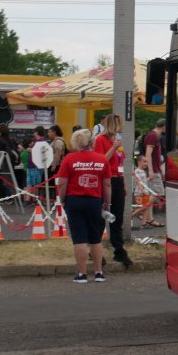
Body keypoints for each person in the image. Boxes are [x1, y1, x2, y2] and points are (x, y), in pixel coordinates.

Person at [55, 127, 111, 283]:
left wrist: (62, 199)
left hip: (74, 200)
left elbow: (62, 183)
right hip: (95, 201)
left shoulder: (69, 159)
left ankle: (82, 274)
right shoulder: (101, 159)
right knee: (95, 238)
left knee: (79, 238)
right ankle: (99, 272)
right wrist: (107, 203)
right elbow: (107, 184)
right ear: (91, 142)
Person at [94, 114, 132, 269]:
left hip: (116, 180)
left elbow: (121, 163)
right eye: (120, 124)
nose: (122, 127)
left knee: (117, 216)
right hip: (104, 180)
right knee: (102, 216)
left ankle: (118, 249)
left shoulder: (118, 142)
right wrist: (113, 147)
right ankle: (95, 249)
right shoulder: (100, 140)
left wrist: (123, 183)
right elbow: (101, 160)